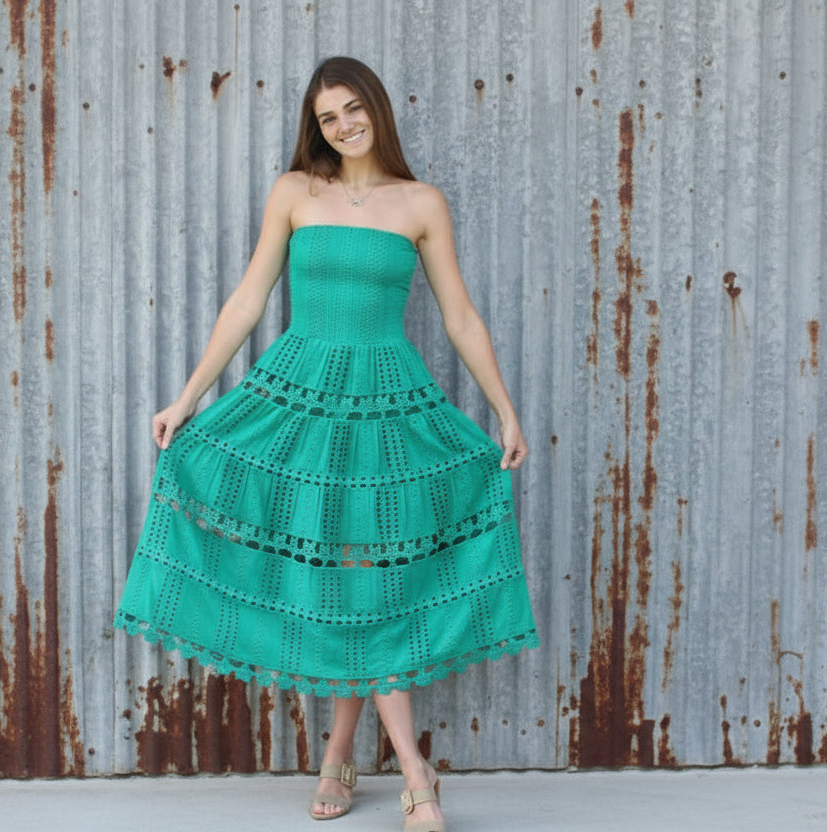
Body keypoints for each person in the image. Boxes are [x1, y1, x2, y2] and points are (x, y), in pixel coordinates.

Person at [115, 56, 539, 832]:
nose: (342, 125)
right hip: (301, 401)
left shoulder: (420, 203)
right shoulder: (294, 193)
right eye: (326, 116)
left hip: (386, 408)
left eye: (352, 109)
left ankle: (348, 757)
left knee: (364, 577)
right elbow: (248, 300)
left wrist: (504, 412)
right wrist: (187, 399)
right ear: (315, 126)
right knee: (348, 576)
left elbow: (461, 318)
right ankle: (410, 770)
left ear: (376, 106)